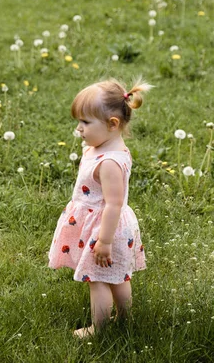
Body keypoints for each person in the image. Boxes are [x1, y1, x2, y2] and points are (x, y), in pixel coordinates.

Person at [48, 78, 152, 339]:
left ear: (112, 124)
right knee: (118, 276)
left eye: (85, 123)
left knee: (97, 279)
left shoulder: (109, 162)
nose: (79, 129)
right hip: (105, 226)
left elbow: (114, 203)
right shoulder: (101, 147)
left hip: (106, 229)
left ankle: (99, 328)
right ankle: (124, 319)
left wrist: (104, 241)